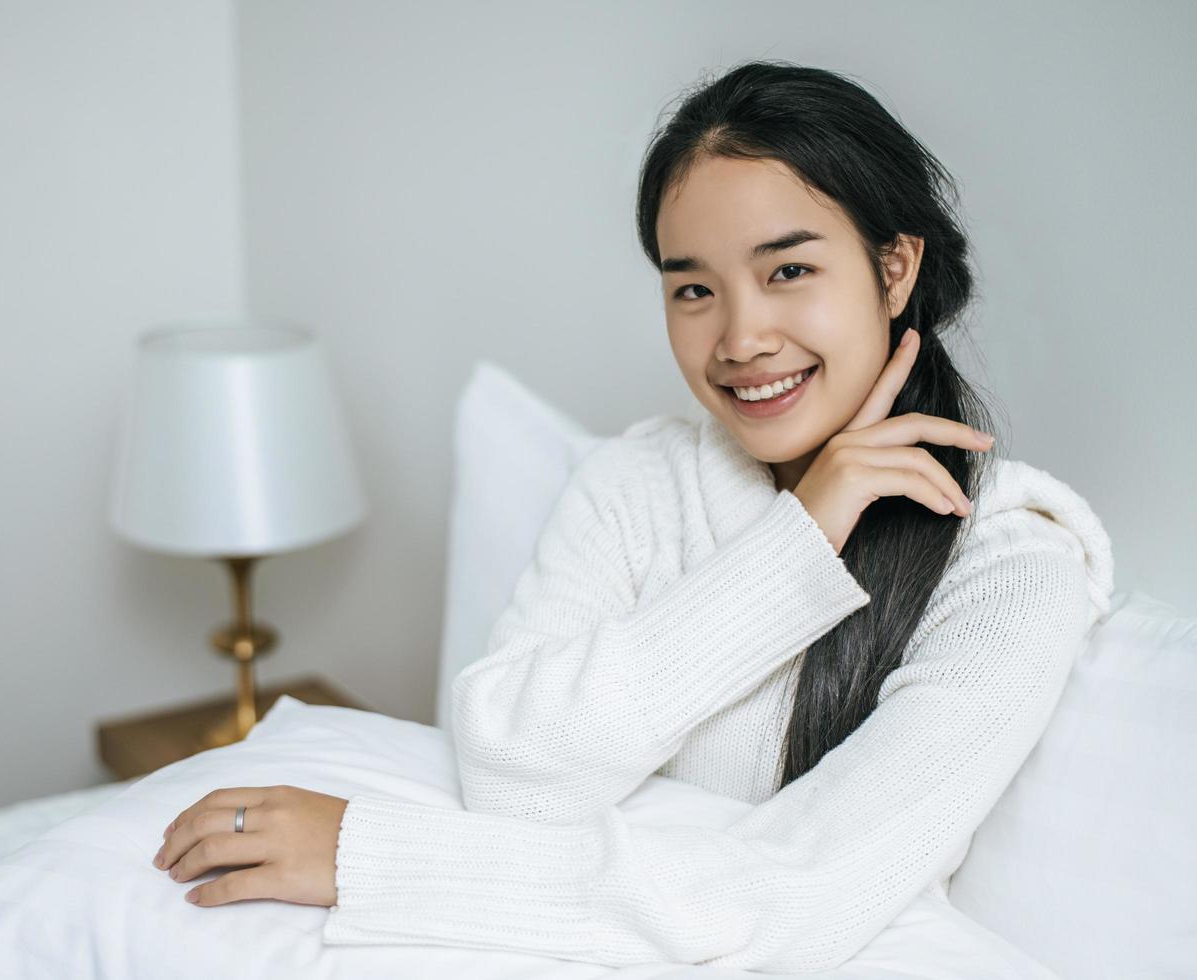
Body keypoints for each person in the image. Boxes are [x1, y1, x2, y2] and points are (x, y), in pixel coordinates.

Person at [155, 60, 1114, 973]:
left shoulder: (1012, 570)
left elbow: (800, 895)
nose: (739, 339)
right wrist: (800, 540)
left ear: (895, 268)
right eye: (693, 288)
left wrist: (375, 861)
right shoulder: (636, 484)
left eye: (787, 272)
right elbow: (510, 769)